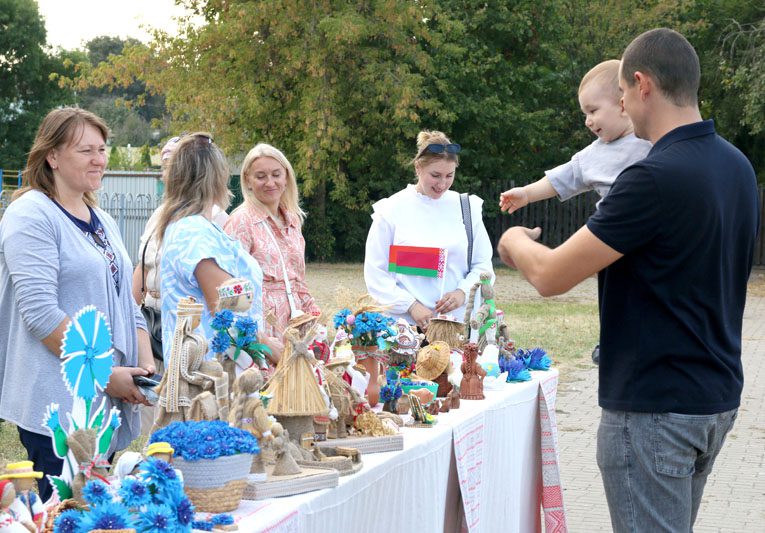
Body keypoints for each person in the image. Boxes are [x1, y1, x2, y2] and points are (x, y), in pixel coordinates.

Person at [497, 28, 759, 532]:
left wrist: (514, 243)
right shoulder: (736, 167)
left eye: (619, 96)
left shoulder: (651, 178)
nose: (617, 108)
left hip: (654, 408)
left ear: (641, 85)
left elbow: (551, 276)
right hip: (714, 397)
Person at [0, 108, 154, 501]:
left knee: (100, 512)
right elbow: (41, 315)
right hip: (58, 403)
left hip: (105, 401)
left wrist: (144, 361)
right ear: (52, 156)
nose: (99, 159)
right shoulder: (30, 214)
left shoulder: (102, 218)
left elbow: (127, 302)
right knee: (67, 514)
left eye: (102, 149)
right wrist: (105, 373)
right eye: (86, 150)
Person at [499, 59, 652, 365]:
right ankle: (610, 339)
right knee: (614, 295)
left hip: (647, 237)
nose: (587, 121)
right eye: (585, 113)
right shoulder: (594, 154)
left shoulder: (650, 139)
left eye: (593, 111)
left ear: (623, 104)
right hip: (611, 238)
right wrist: (527, 193)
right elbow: (562, 178)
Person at [156, 133, 281, 367]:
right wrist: (275, 351)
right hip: (209, 377)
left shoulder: (199, 227)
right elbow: (228, 310)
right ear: (215, 177)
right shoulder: (191, 232)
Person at [364, 130, 494, 330]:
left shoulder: (466, 208)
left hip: (456, 326)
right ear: (418, 168)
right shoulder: (391, 210)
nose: (442, 184)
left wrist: (462, 292)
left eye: (449, 175)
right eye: (435, 175)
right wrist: (411, 305)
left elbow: (483, 265)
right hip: (403, 328)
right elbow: (376, 272)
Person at [224, 143, 319, 338]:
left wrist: (313, 313)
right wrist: (253, 337)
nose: (270, 183)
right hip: (262, 326)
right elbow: (228, 282)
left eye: (276, 175)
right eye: (261, 176)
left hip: (295, 323)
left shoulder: (293, 219)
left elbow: (298, 279)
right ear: (248, 180)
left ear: (286, 178)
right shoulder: (241, 221)